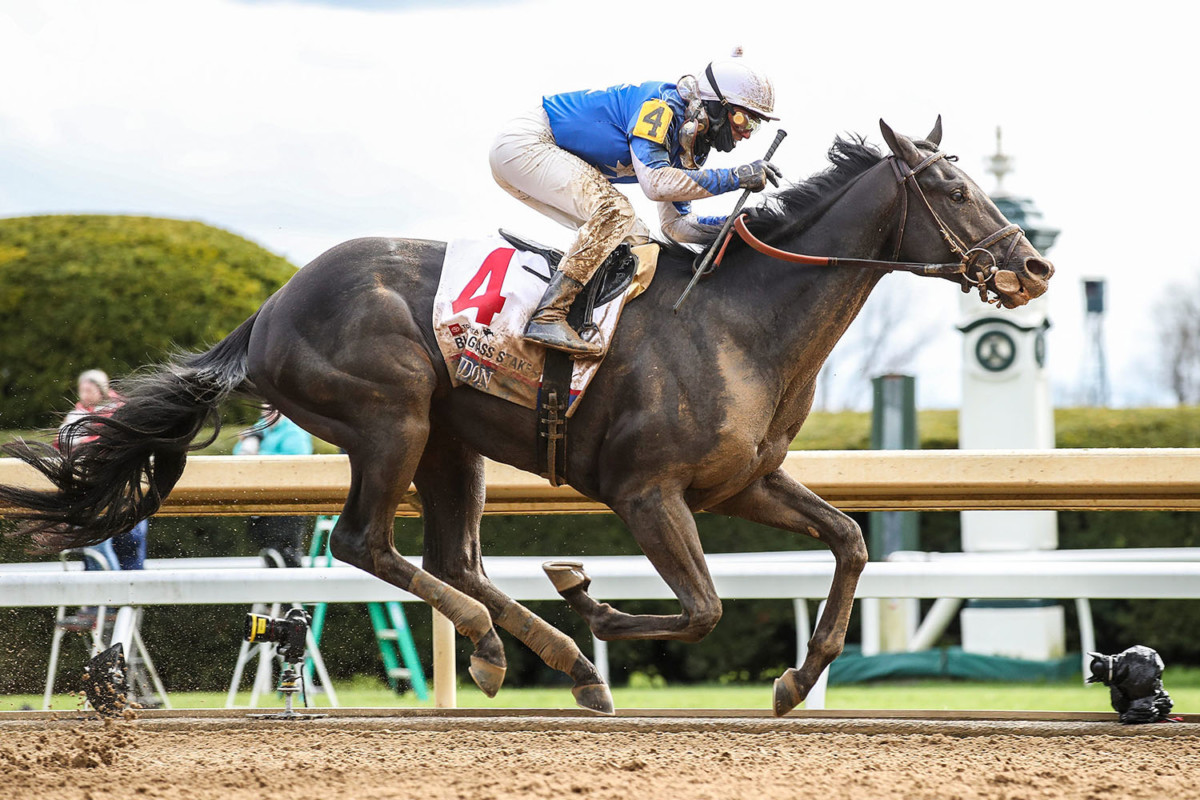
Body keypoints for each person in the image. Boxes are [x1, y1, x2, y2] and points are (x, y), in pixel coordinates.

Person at [489, 49, 782, 357]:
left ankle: (586, 325)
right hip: (527, 143)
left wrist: (733, 227)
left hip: (528, 154)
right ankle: (549, 316)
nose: (746, 134)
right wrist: (737, 176)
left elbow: (676, 227)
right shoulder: (661, 106)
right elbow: (655, 183)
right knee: (614, 212)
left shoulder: (691, 142)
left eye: (754, 125)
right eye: (742, 118)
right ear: (717, 105)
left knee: (636, 238)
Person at [59, 370, 148, 573]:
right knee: (96, 547)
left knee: (129, 545)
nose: (84, 395)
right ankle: (108, 601)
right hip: (94, 491)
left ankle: (126, 600)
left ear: (100, 390)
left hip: (125, 489)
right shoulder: (78, 414)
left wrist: (83, 442)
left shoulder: (120, 411)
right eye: (82, 390)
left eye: (88, 389)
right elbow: (61, 442)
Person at [234, 411, 313, 568]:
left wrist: (257, 454)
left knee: (287, 549)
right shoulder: (261, 426)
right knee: (268, 548)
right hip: (263, 496)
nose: (267, 413)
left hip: (290, 497)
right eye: (265, 409)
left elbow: (299, 459)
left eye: (272, 409)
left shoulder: (294, 429)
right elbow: (238, 454)